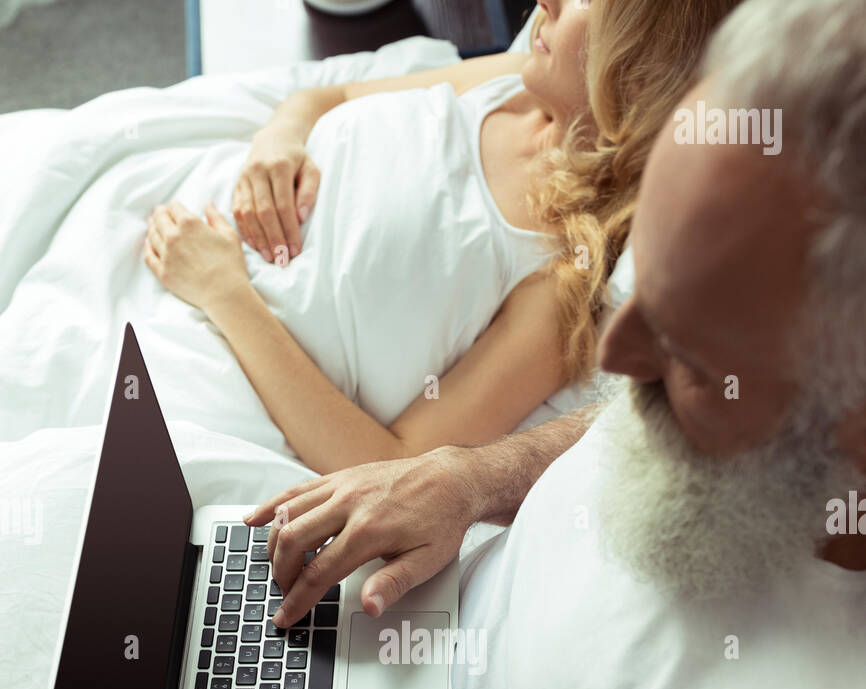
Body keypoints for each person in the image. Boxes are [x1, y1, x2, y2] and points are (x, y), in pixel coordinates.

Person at [25, 0, 866, 689]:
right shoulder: (754, 372)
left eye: (685, 359)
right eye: (636, 285)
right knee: (59, 544)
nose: (614, 355)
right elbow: (615, 411)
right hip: (438, 627)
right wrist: (474, 477)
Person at [142, 1, 737, 475]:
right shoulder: (520, 83)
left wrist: (225, 293)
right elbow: (332, 95)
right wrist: (281, 138)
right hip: (189, 218)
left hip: (216, 336)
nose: (546, 2)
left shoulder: (563, 277)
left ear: (642, 73)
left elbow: (392, 464)